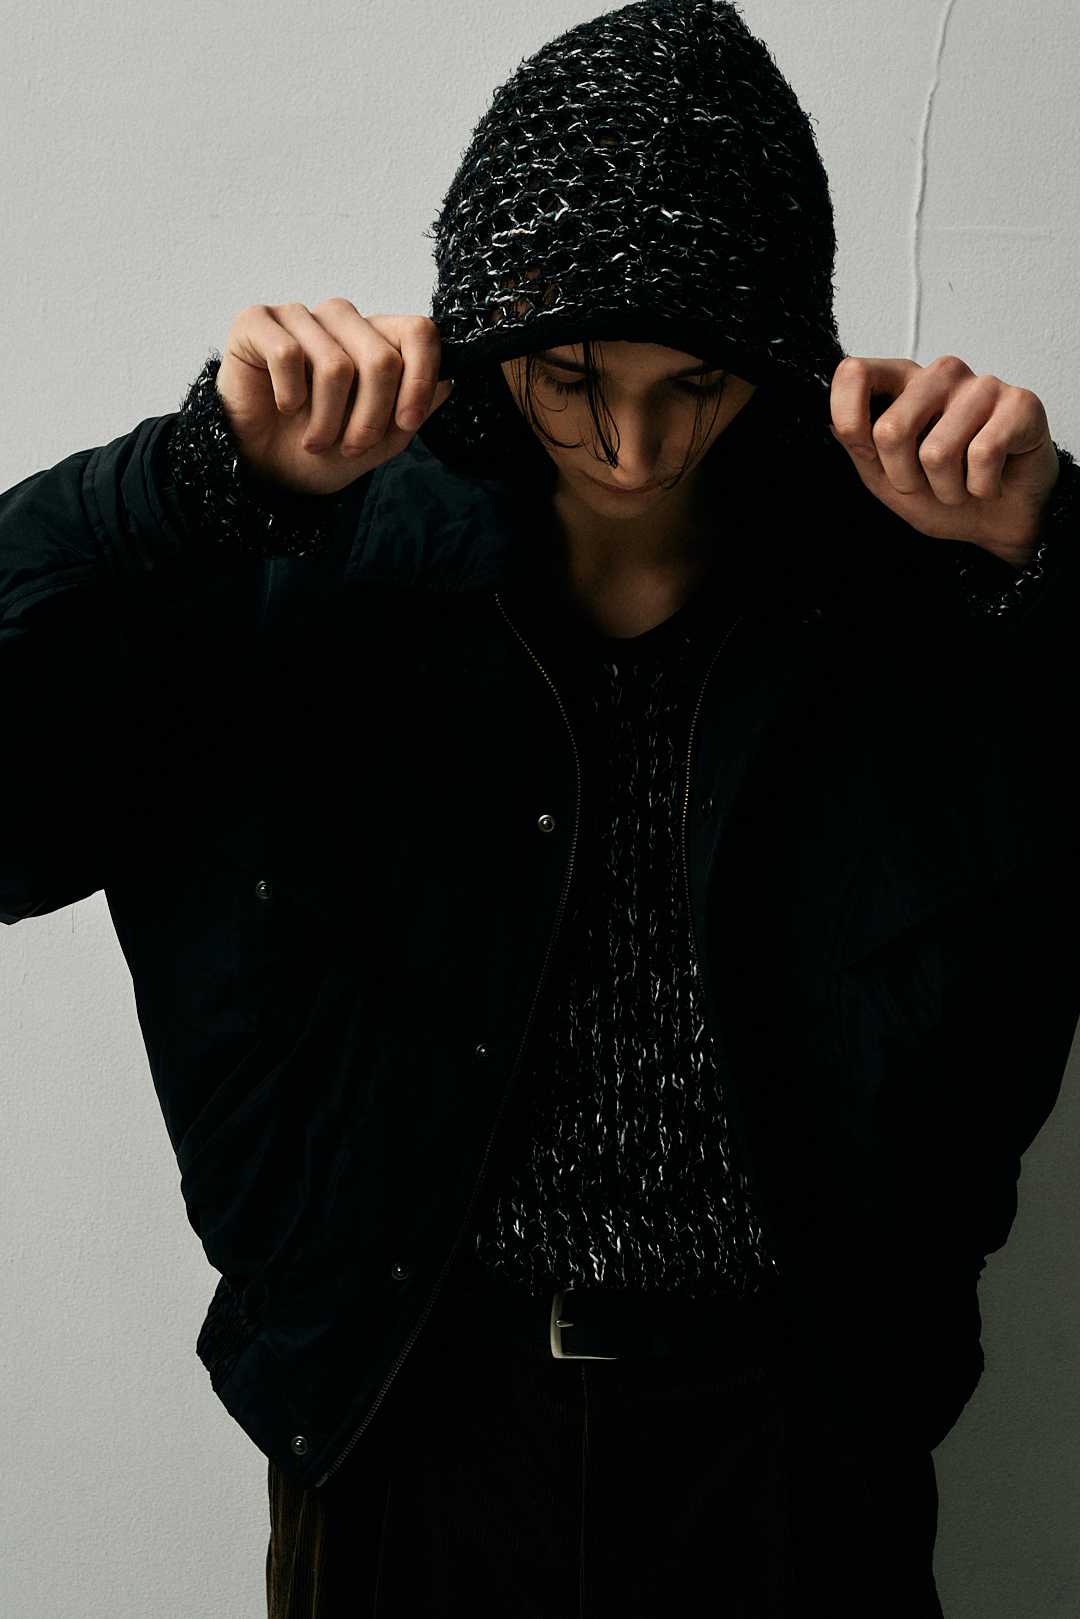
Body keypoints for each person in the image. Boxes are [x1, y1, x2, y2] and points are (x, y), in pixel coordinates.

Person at [1, 1, 1077, 1614]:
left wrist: (1054, 559)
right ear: (490, 335)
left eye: (695, 381)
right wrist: (183, 487)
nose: (631, 445)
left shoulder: (913, 595)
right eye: (573, 376)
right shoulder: (302, 568)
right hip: (400, 1419)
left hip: (791, 1440)